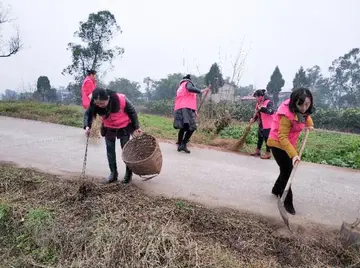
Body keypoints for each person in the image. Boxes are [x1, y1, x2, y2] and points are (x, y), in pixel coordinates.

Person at [267, 87, 315, 215]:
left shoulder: (303, 109)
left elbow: (306, 115)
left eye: (307, 104)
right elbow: (282, 137)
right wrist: (294, 155)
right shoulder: (286, 114)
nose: (304, 107)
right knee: (288, 171)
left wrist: (309, 124)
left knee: (285, 168)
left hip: (289, 144)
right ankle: (287, 203)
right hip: (277, 142)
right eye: (301, 104)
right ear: (294, 102)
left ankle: (276, 189)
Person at [83, 88, 142, 184]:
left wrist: (136, 127)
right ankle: (113, 174)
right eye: (97, 103)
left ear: (108, 98)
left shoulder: (121, 99)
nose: (99, 106)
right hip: (109, 127)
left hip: (124, 127)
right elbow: (88, 114)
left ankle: (128, 175)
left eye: (102, 103)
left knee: (126, 151)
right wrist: (87, 126)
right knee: (110, 151)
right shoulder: (95, 103)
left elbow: (132, 112)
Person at [173, 74, 210, 153]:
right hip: (186, 109)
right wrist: (202, 91)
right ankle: (183, 144)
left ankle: (180, 144)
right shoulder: (187, 83)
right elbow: (190, 89)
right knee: (192, 127)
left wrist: (194, 111)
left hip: (179, 108)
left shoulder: (180, 87)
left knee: (183, 127)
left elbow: (189, 99)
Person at [249, 89, 275, 159]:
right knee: (260, 137)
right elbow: (257, 114)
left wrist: (262, 109)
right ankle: (258, 151)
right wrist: (253, 119)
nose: (256, 98)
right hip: (261, 123)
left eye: (256, 97)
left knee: (267, 139)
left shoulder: (269, 102)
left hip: (269, 124)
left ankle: (268, 153)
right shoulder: (258, 103)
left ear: (260, 96)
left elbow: (271, 111)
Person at [81, 69, 101, 138]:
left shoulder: (90, 81)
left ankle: (90, 131)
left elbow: (93, 90)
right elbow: (90, 94)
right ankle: (90, 131)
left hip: (88, 102)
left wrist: (94, 83)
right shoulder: (88, 82)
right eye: (95, 75)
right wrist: (96, 102)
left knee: (91, 116)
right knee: (91, 116)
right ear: (91, 75)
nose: (96, 77)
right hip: (89, 102)